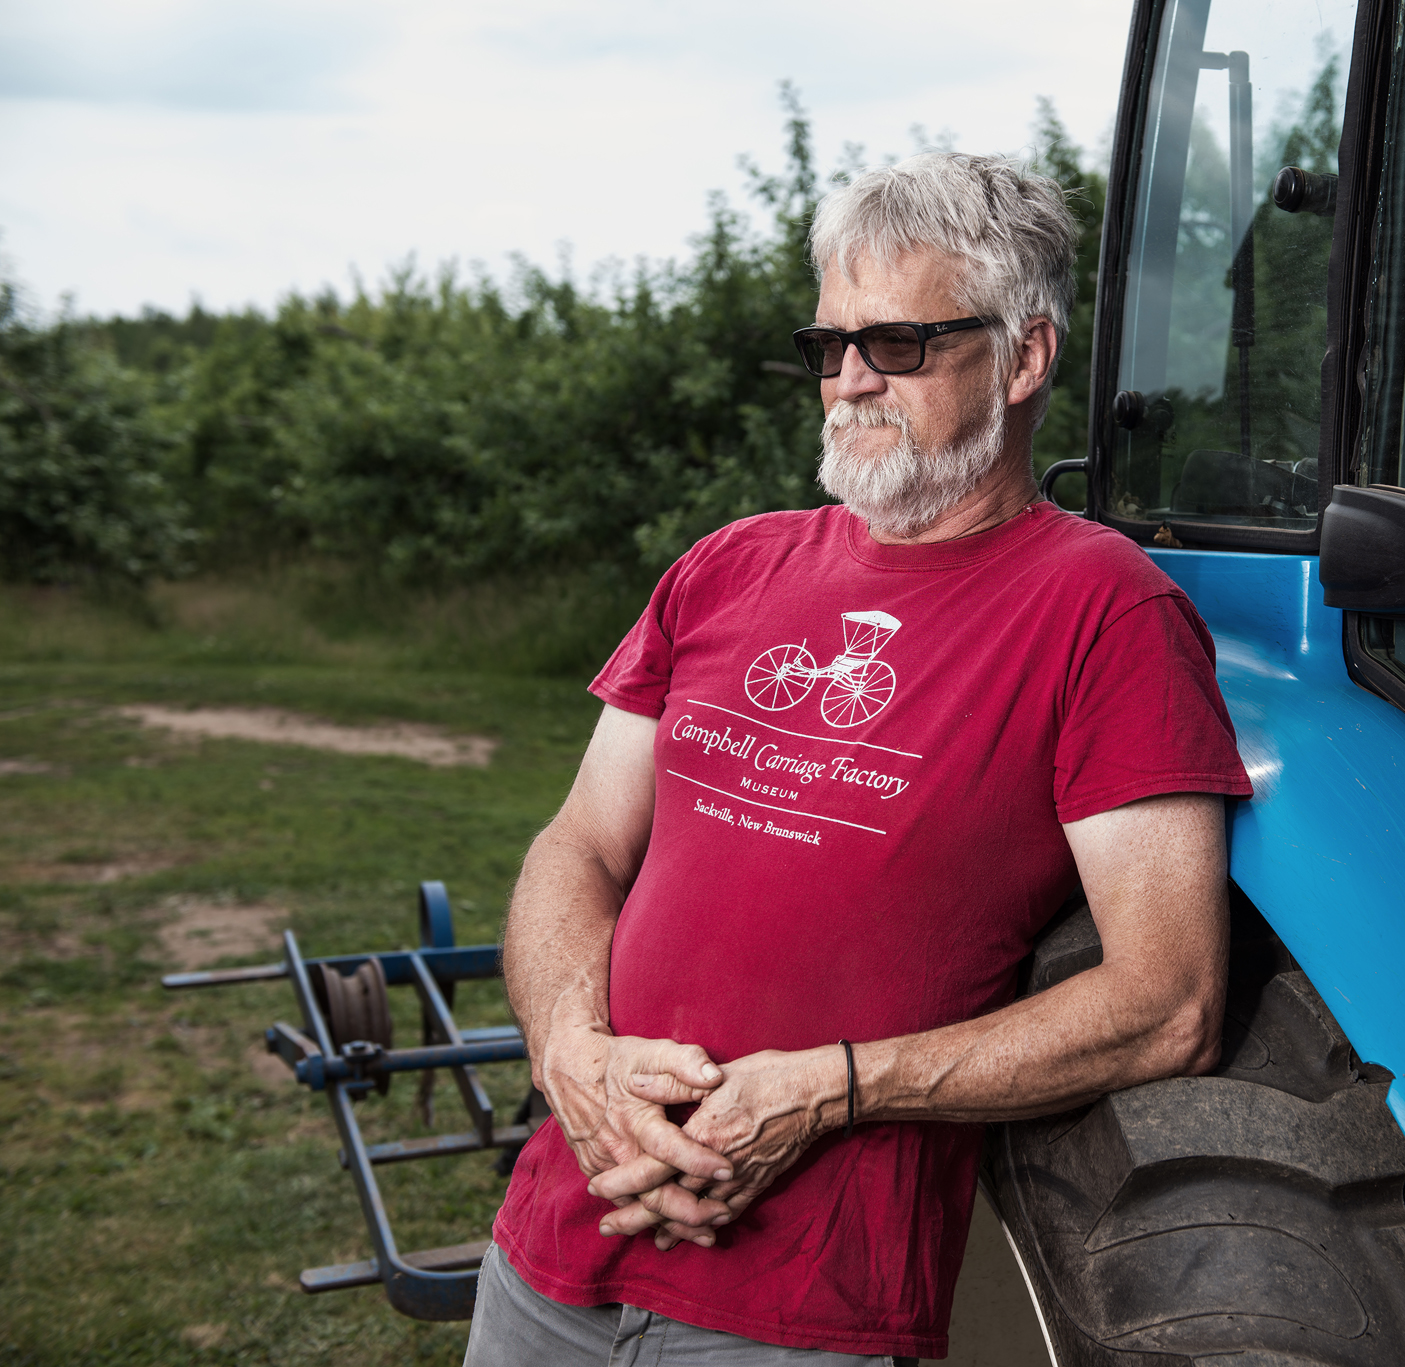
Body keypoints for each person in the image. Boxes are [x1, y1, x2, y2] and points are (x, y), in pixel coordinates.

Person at [466, 152, 1253, 1366]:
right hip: (550, 1245)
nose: (845, 382)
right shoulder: (726, 565)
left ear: (1024, 356)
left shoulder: (1105, 611)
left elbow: (1167, 1002)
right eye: (826, 347)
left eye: (895, 345)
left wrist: (826, 1088)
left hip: (802, 1309)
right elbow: (578, 844)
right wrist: (568, 1052)